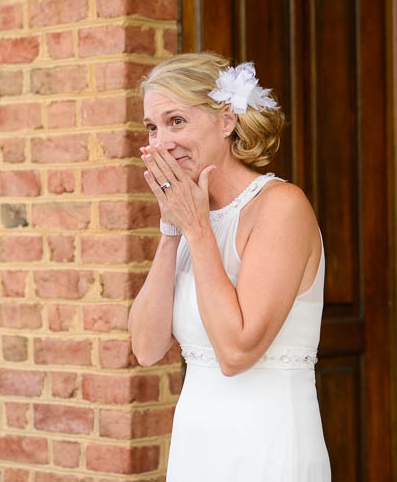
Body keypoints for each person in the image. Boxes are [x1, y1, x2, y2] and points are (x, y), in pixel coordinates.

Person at [127, 52, 331, 481]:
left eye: (176, 121)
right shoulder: (191, 218)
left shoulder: (280, 207)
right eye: (152, 127)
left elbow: (237, 352)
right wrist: (171, 230)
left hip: (269, 446)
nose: (161, 142)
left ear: (226, 120)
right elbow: (146, 349)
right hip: (197, 448)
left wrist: (197, 229)